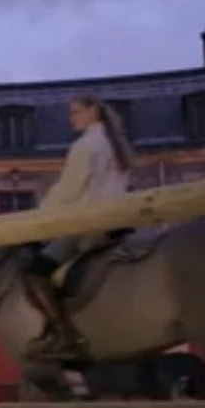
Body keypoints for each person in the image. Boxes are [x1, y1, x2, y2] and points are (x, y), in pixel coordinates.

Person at [21, 95, 136, 361]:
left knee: (35, 272)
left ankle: (66, 337)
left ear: (93, 111)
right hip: (120, 221)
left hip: (88, 223)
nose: (71, 118)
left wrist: (37, 220)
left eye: (76, 112)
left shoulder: (85, 145)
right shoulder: (117, 145)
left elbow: (69, 191)